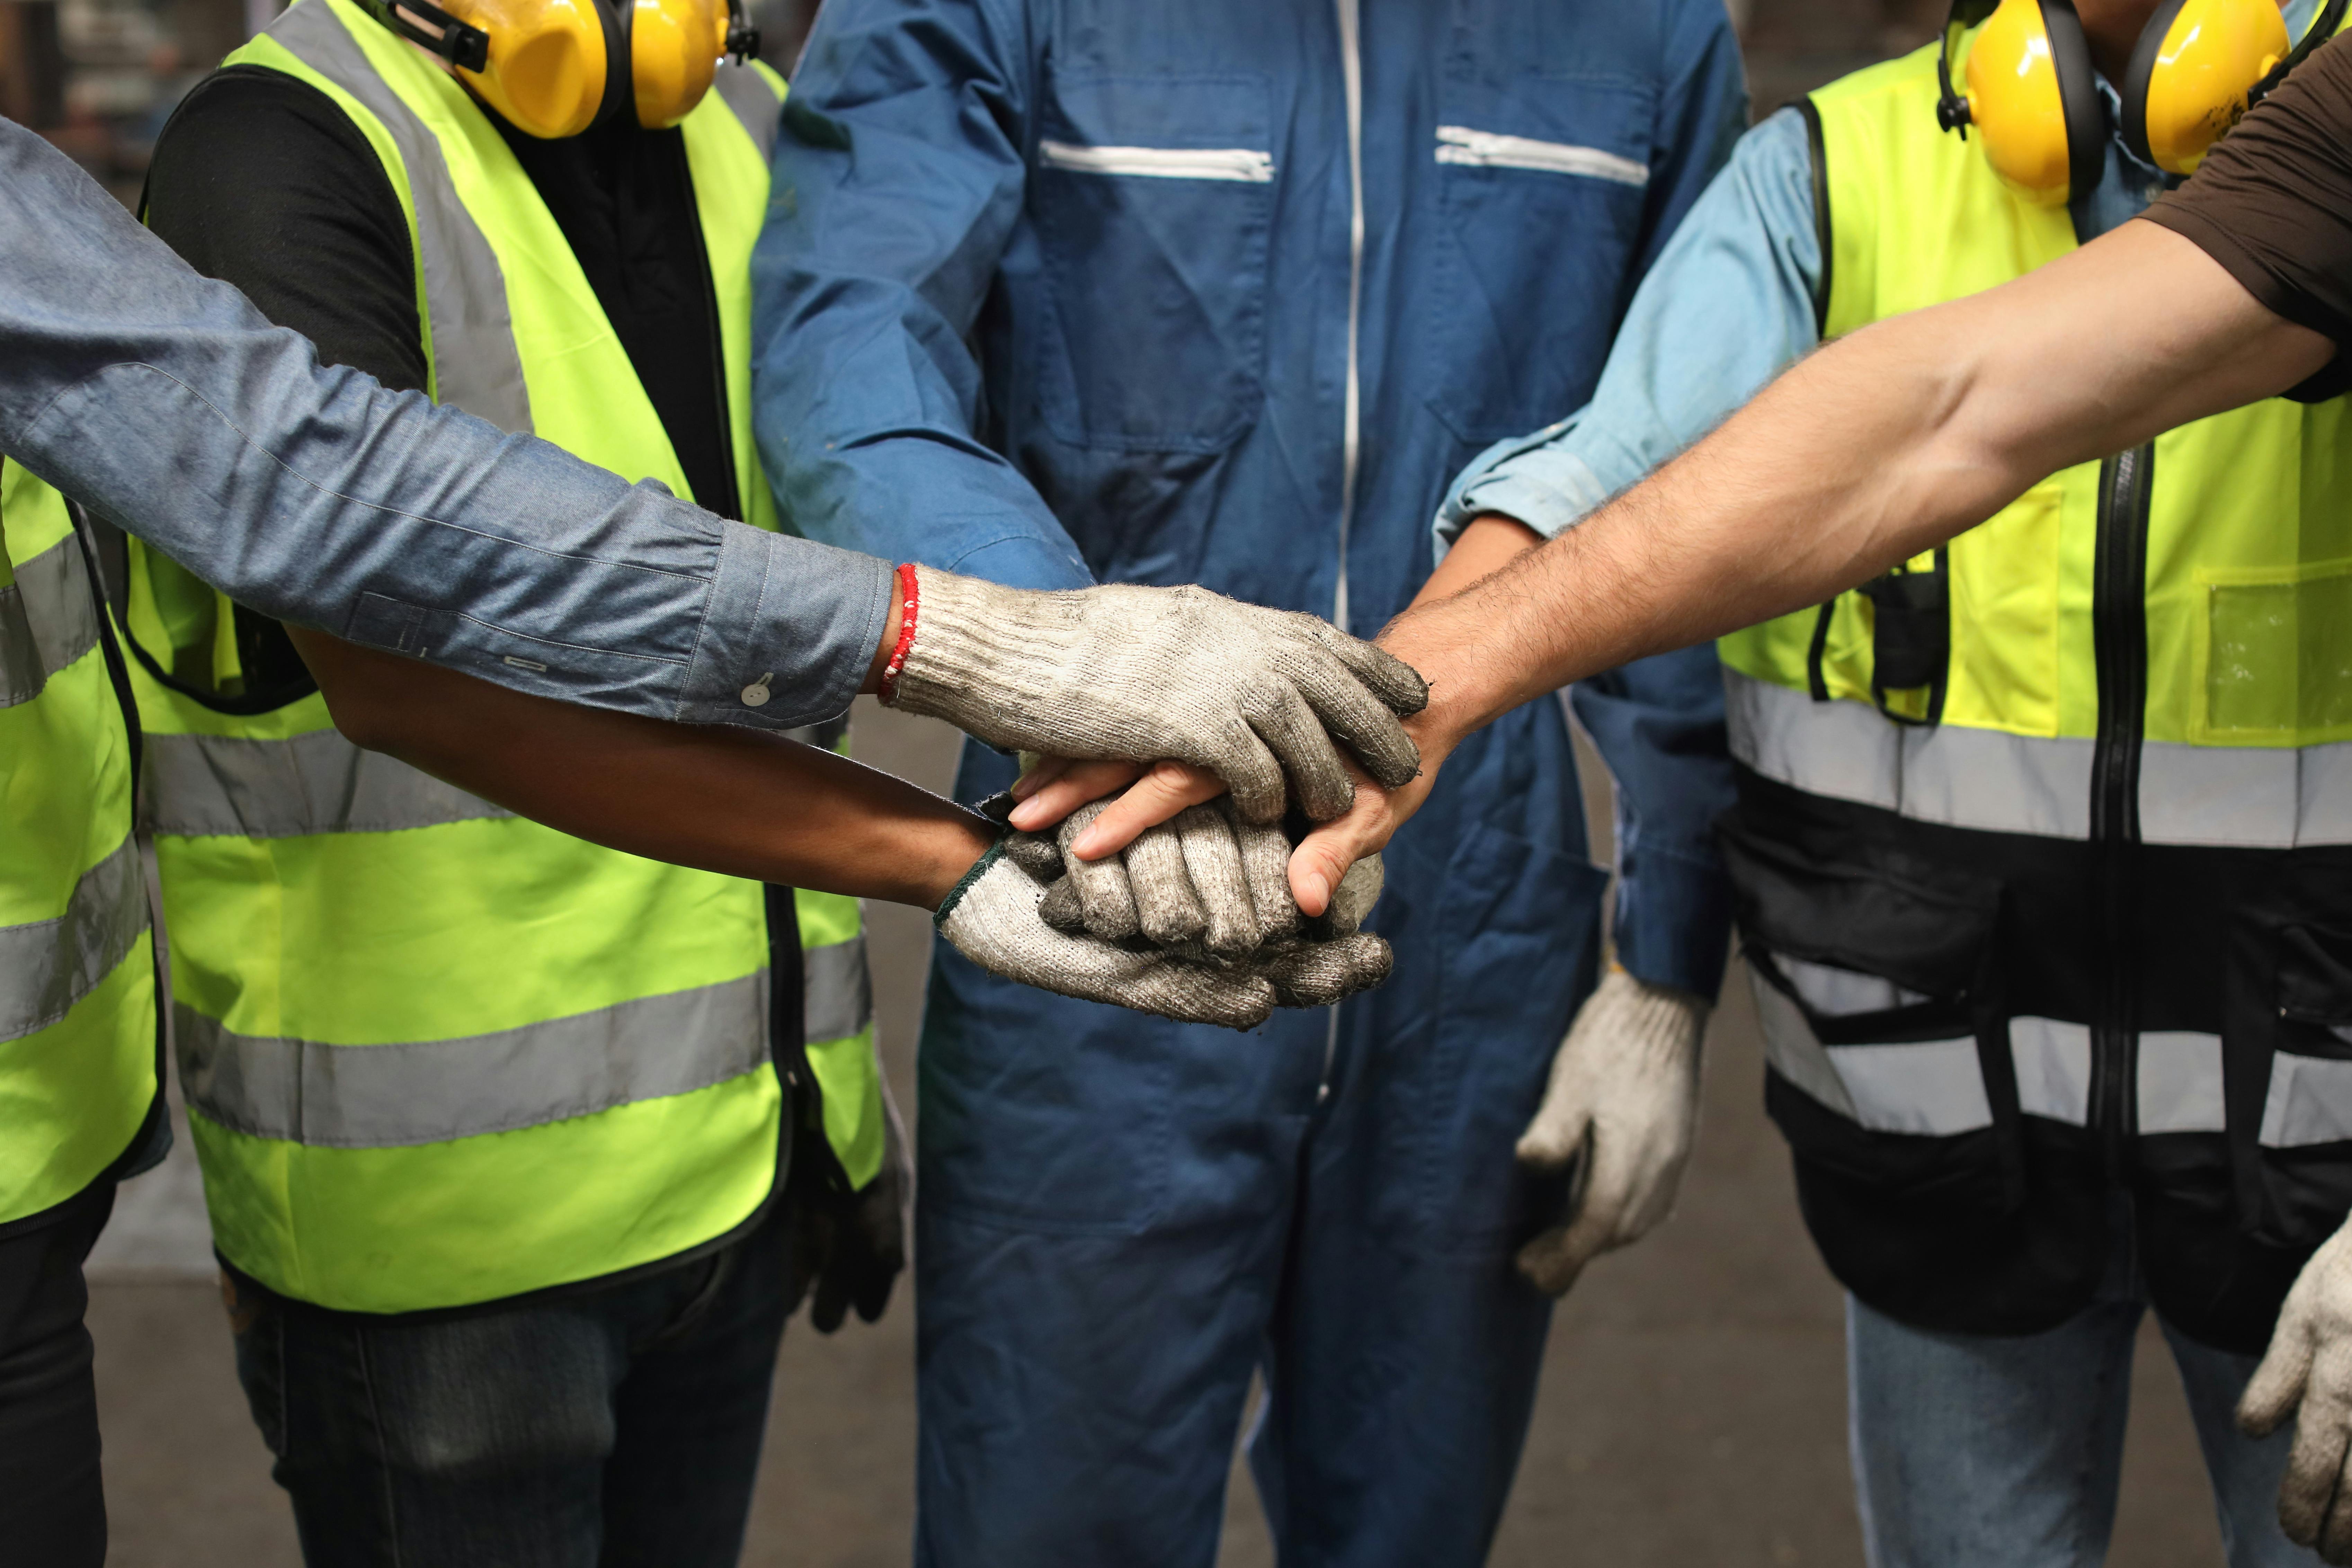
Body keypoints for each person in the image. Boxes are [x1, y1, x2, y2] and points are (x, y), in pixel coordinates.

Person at [0, 114, 1417, 1564]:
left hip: (732, 1155)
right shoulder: (285, 141)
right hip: (441, 1226)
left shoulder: (728, 140)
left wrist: (854, 1068)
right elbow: (362, 591)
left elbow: (844, 457)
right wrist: (988, 652)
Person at [1155, 9, 2352, 1563]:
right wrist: (1389, 697)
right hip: (1943, 1138)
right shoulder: (1834, 174)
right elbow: (1620, 470)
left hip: (2316, 1157)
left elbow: (1950, 410)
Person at [751, 1, 1746, 1561]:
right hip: (1099, 894)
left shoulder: (1639, 28)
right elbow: (849, 340)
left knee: (1412, 1522)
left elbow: (1697, 455)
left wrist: (1665, 962)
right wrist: (1069, 664)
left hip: (1469, 930)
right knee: (1050, 1527)